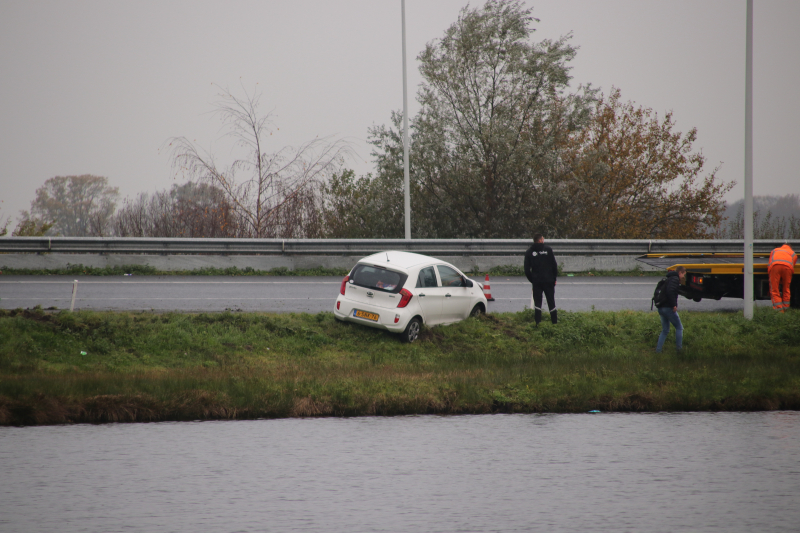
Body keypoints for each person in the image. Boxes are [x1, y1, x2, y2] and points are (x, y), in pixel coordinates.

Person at [524, 233, 558, 325]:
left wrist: (533, 280)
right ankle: (554, 323)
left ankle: (538, 323)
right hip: (549, 280)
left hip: (537, 281)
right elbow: (554, 265)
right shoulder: (548, 249)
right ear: (540, 240)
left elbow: (527, 270)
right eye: (543, 239)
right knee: (551, 301)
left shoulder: (529, 252)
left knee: (538, 303)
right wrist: (554, 278)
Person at [656, 266, 686, 353]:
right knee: (679, 327)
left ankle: (658, 351)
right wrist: (674, 305)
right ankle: (679, 350)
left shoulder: (667, 278)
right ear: (680, 272)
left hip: (661, 307)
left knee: (665, 330)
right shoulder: (674, 279)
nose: (683, 277)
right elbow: (670, 291)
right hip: (667, 308)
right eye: (683, 274)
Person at [768, 243, 797, 313]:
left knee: (774, 289)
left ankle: (779, 310)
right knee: (786, 288)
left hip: (775, 267)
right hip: (787, 268)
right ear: (790, 247)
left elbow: (770, 260)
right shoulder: (793, 253)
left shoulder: (775, 250)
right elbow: (792, 264)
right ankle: (786, 308)